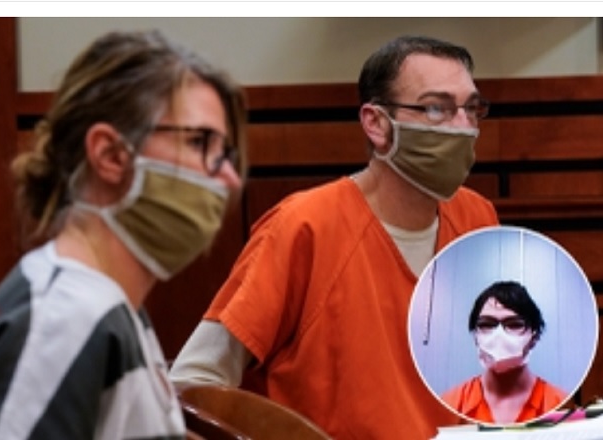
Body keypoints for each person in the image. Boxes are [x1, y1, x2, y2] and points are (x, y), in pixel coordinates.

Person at [169, 35, 499, 439]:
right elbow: (192, 384)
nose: (463, 127)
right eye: (436, 108)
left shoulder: (477, 218)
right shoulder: (304, 225)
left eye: (471, 109)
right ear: (376, 123)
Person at [0, 29, 247, 439]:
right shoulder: (64, 320)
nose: (230, 177)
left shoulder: (105, 303)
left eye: (226, 153)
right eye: (200, 142)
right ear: (110, 155)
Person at [442, 281, 567, 425]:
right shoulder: (450, 404)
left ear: (535, 337)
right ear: (475, 337)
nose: (499, 335)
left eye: (515, 324)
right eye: (486, 324)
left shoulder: (560, 404)